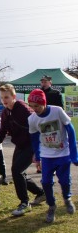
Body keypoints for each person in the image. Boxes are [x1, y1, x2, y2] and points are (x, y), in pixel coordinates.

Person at [0, 84, 45, 217]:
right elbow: (3, 130)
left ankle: (24, 203)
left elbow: (37, 127)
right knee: (19, 173)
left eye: (7, 97)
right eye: (2, 98)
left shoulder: (23, 109)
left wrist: (37, 152)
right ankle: (41, 193)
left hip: (30, 144)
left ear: (13, 96)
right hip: (20, 145)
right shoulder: (6, 112)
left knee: (16, 170)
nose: (4, 100)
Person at [27, 89, 77, 223]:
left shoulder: (57, 111)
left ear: (44, 102)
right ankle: (51, 206)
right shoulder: (32, 119)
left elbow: (70, 131)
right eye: (31, 106)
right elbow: (34, 138)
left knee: (65, 181)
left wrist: (74, 154)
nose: (34, 109)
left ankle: (67, 198)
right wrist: (37, 156)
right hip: (47, 155)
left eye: (37, 106)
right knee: (46, 182)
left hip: (63, 153)